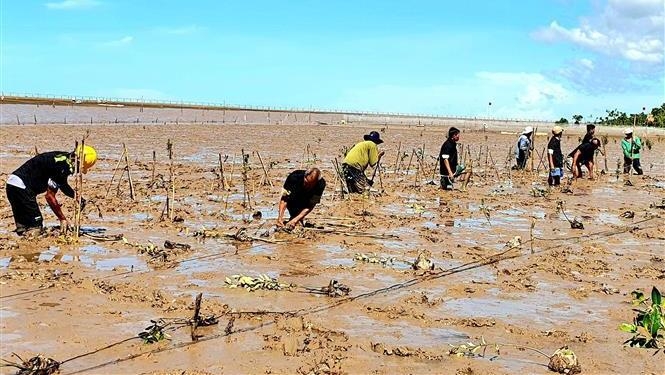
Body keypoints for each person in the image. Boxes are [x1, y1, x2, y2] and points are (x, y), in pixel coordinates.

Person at [5, 145, 97, 235]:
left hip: (12, 185)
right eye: (80, 169)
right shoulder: (62, 167)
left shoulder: (64, 158)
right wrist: (62, 219)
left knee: (24, 228)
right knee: (36, 227)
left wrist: (77, 197)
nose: (77, 172)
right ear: (77, 162)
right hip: (22, 188)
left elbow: (62, 184)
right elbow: (49, 197)